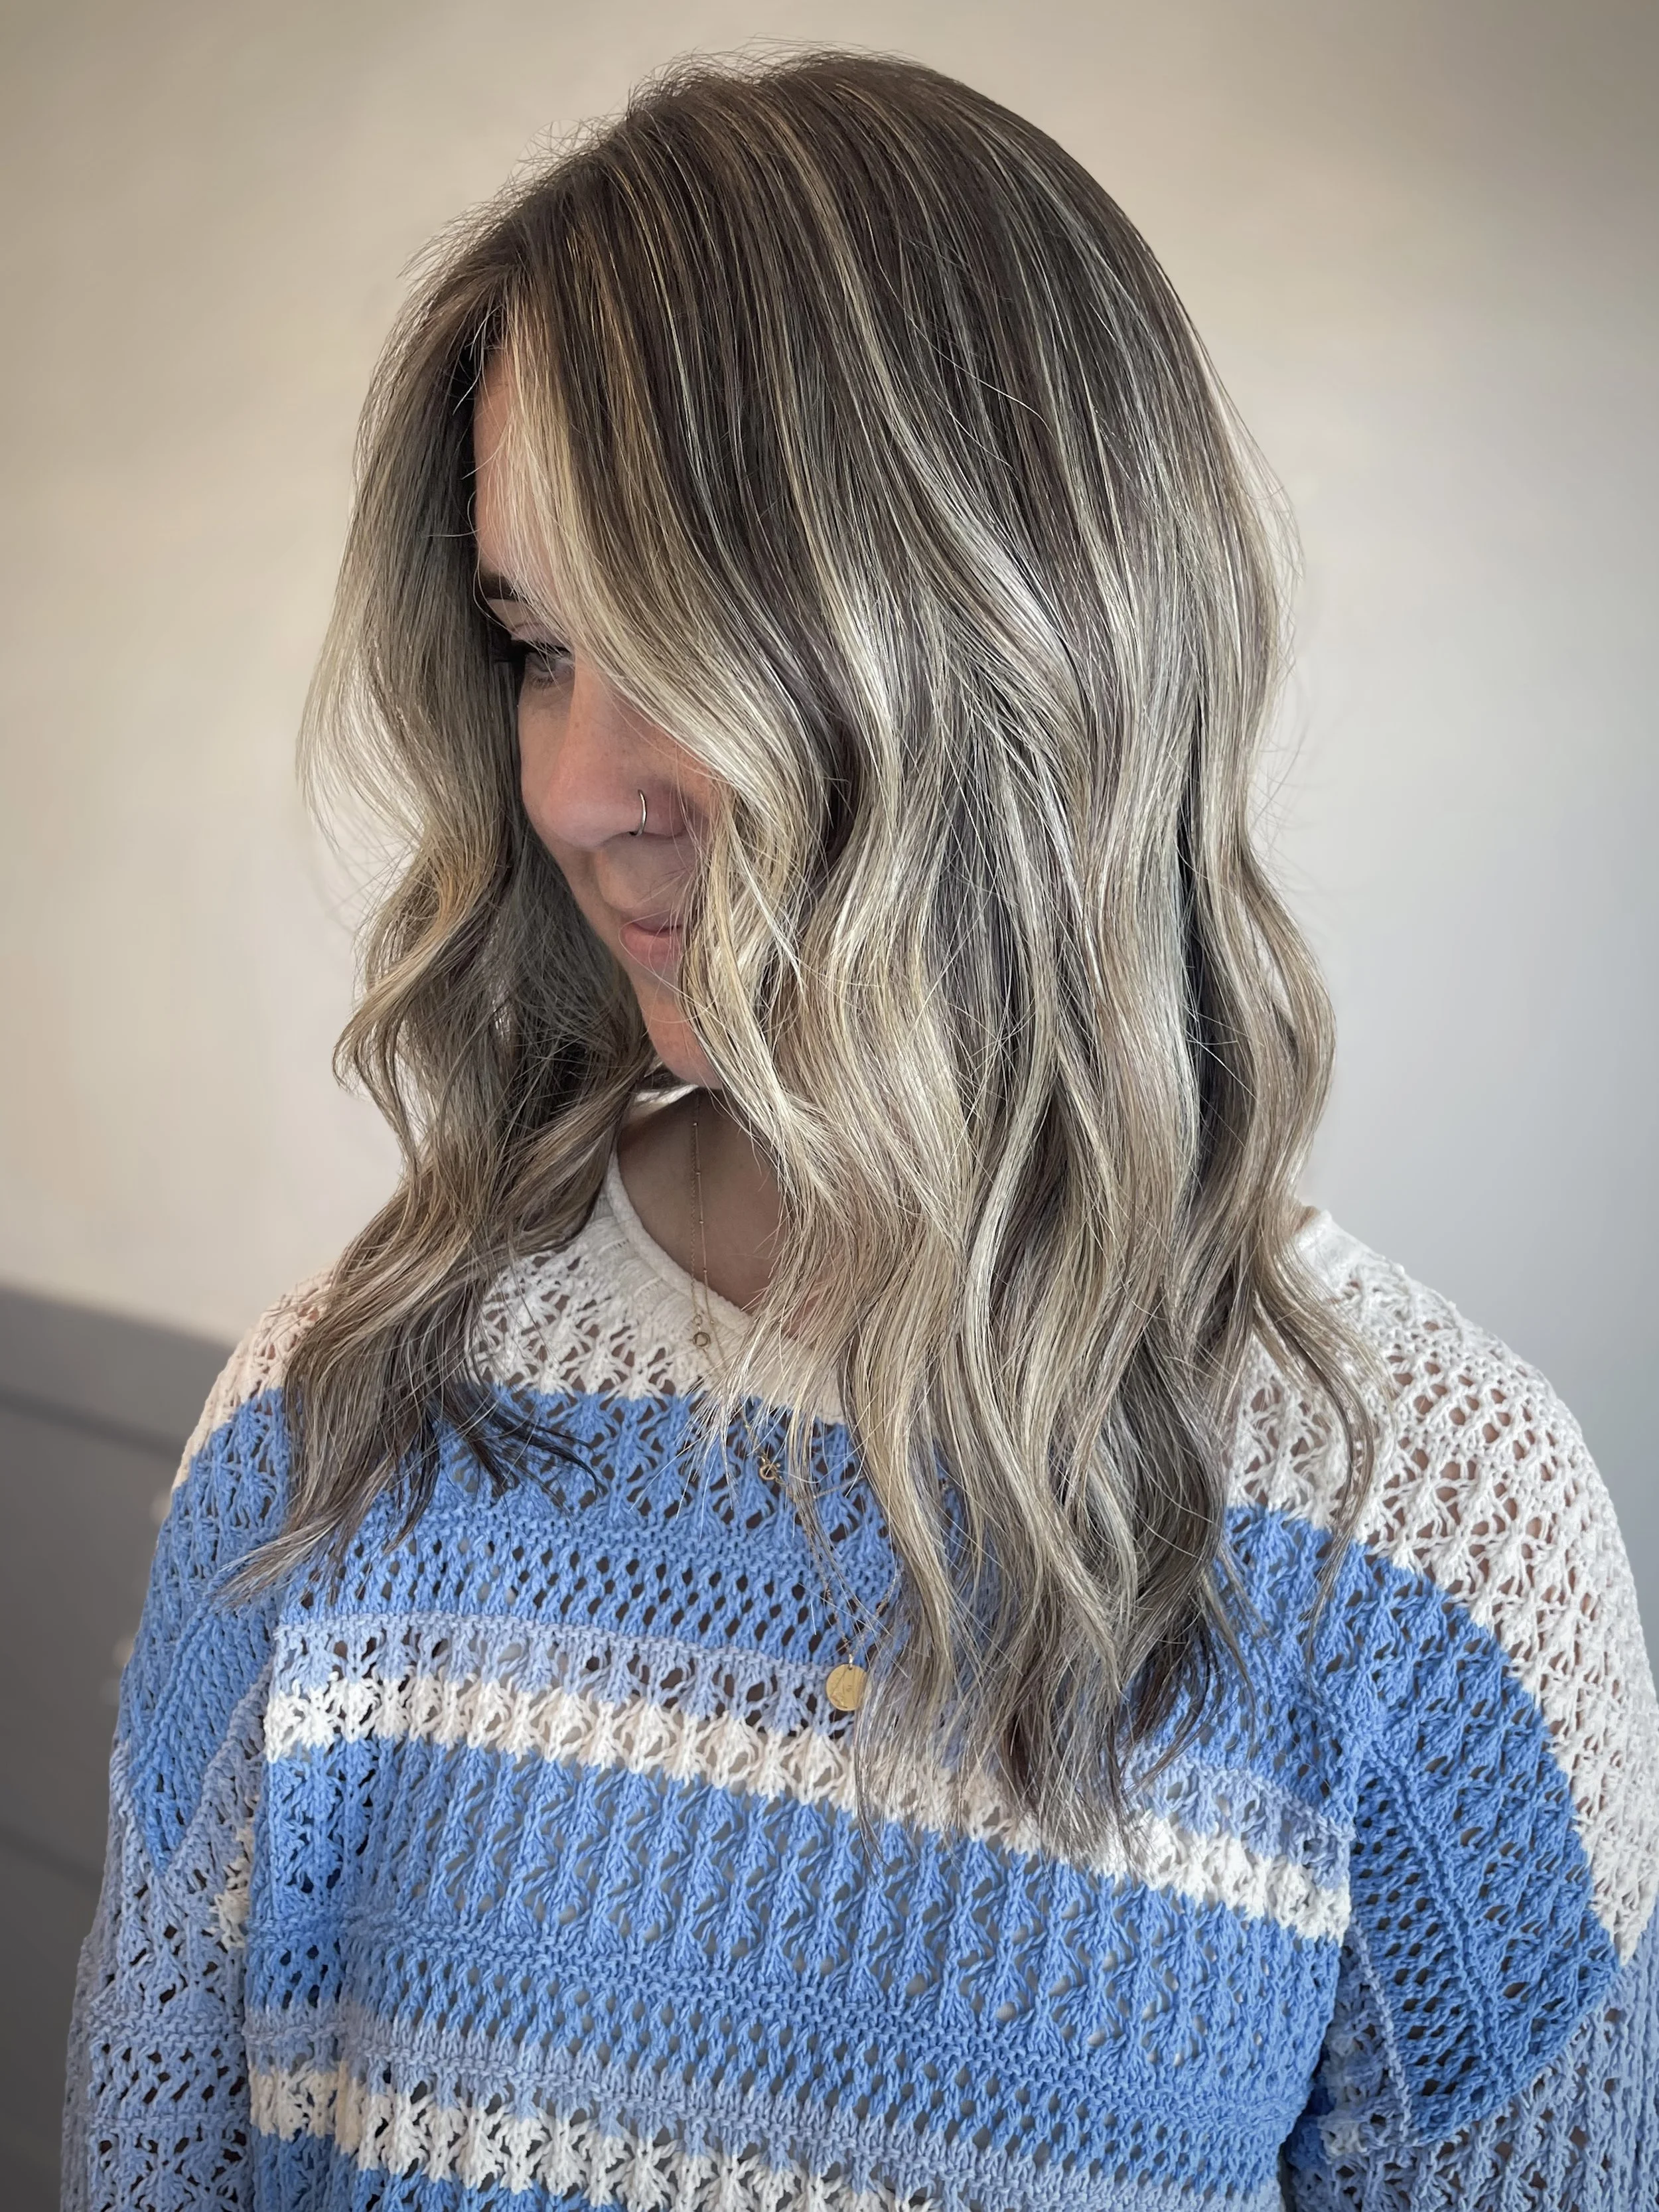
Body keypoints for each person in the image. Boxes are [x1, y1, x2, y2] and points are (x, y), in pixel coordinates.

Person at [62, 48, 1658, 2212]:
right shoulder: (335, 1435)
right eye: (535, 644)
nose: (573, 785)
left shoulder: (1430, 1548)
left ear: (1026, 642)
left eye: (697, 647)